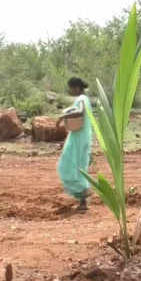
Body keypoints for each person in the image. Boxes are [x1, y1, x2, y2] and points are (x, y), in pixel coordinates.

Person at [57, 77, 92, 211]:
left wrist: (63, 116)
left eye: (71, 88)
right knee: (78, 166)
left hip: (78, 137)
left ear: (76, 87)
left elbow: (80, 111)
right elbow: (75, 110)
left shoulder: (82, 99)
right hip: (81, 136)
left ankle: (83, 193)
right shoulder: (84, 99)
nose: (70, 91)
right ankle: (82, 200)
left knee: (68, 165)